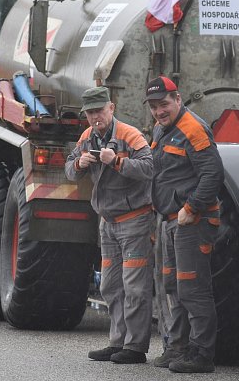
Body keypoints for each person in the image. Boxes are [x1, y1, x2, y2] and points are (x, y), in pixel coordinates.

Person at [65, 86, 154, 365]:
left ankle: (135, 347)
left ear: (111, 108)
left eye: (99, 111)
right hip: (108, 223)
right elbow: (68, 169)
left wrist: (115, 162)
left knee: (135, 287)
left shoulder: (130, 135)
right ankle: (118, 342)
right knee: (111, 286)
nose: (95, 118)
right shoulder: (86, 137)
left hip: (134, 222)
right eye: (90, 113)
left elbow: (149, 169)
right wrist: (79, 163)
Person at [145, 76, 224, 373]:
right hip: (169, 221)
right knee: (173, 288)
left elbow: (213, 174)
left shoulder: (193, 129)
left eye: (163, 104)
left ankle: (202, 354)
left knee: (193, 290)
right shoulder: (162, 129)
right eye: (154, 106)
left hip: (192, 221)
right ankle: (177, 346)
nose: (159, 111)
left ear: (178, 99)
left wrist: (191, 208)